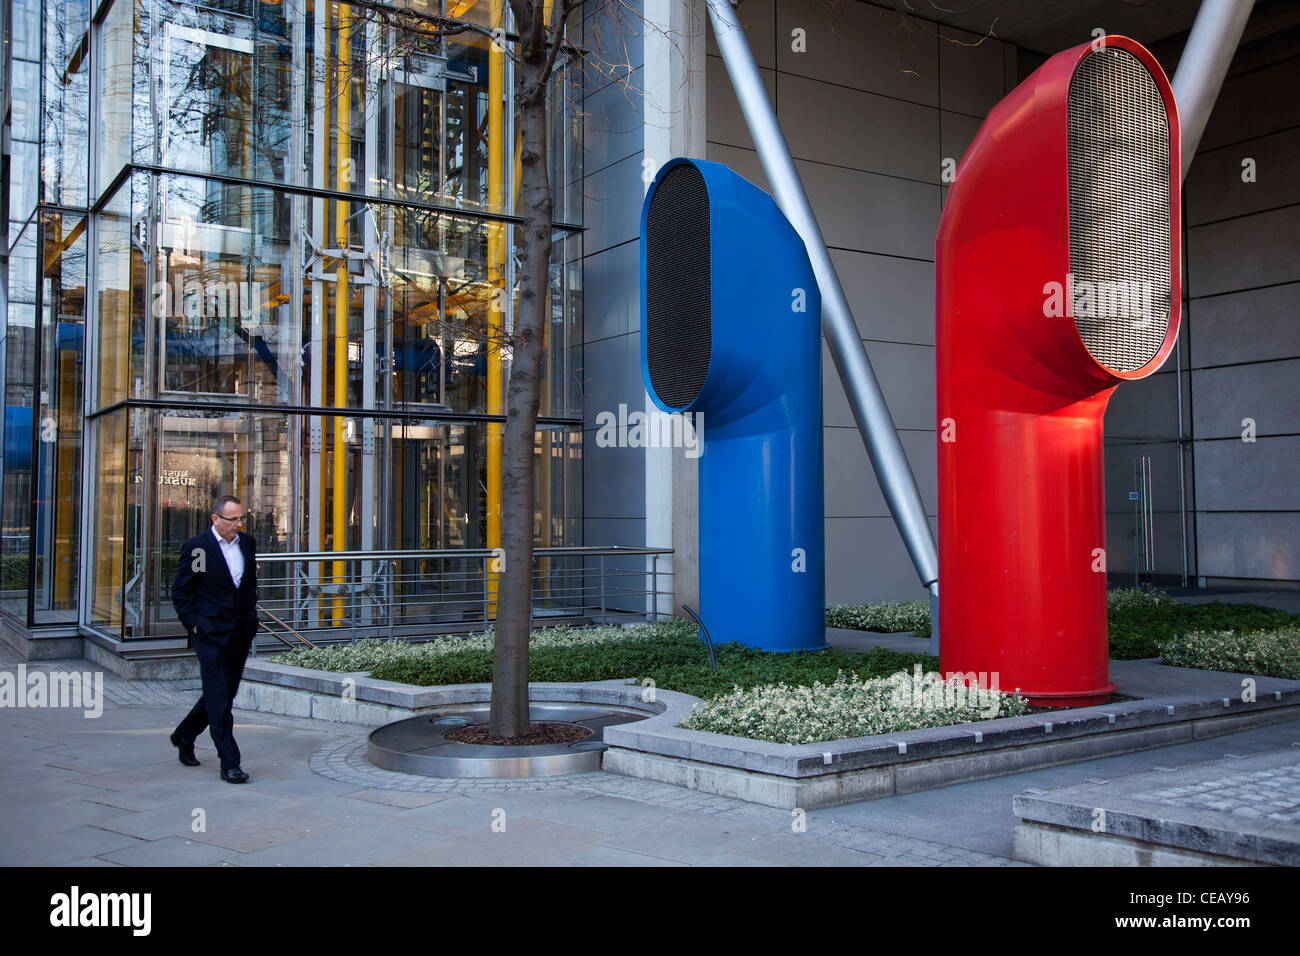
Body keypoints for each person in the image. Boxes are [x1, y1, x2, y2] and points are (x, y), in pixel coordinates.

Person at [169, 495, 259, 783]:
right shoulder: (199, 549)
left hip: (240, 631)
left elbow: (248, 585)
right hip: (210, 634)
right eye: (232, 519)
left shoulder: (247, 543)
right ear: (215, 519)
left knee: (222, 694)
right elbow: (182, 591)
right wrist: (194, 625)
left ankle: (184, 735)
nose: (238, 524)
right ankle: (230, 763)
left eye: (240, 518)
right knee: (220, 701)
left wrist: (250, 616)